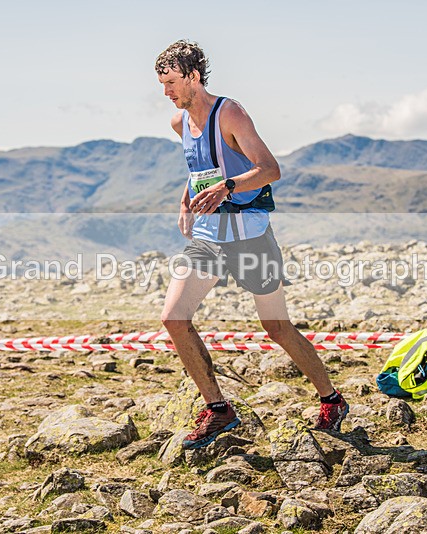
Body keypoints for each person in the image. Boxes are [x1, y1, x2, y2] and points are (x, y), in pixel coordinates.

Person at [155, 40, 348, 450]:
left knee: (276, 326)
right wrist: (186, 200)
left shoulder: (230, 113)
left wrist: (228, 188)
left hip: (250, 237)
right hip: (209, 237)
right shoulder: (178, 124)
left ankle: (331, 399)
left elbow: (270, 169)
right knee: (174, 318)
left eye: (171, 83)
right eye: (162, 84)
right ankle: (219, 409)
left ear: (193, 76)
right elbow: (198, 169)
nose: (166, 92)